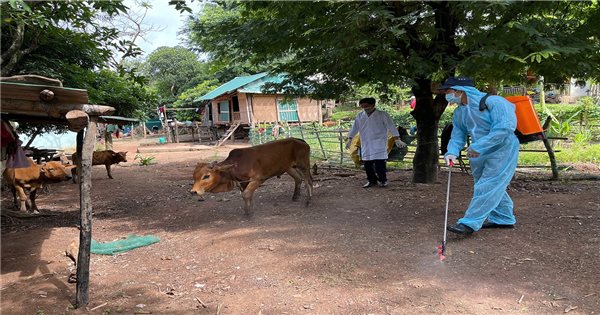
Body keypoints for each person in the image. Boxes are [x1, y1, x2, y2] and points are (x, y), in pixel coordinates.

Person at [439, 77, 520, 235]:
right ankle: (503, 218)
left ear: (459, 90)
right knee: (487, 184)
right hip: (478, 151)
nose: (446, 94)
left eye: (448, 91)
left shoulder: (495, 102)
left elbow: (505, 128)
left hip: (502, 148)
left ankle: (470, 222)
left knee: (488, 184)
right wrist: (452, 152)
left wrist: (478, 146)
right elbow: (458, 135)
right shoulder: (460, 112)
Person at [346, 97, 406, 188]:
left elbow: (391, 126)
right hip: (366, 143)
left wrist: (397, 138)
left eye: (366, 106)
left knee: (380, 164)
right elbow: (354, 128)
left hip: (379, 143)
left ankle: (383, 180)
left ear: (373, 105)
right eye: (362, 106)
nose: (364, 108)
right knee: (367, 165)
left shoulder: (383, 115)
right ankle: (371, 180)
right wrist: (349, 139)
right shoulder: (360, 115)